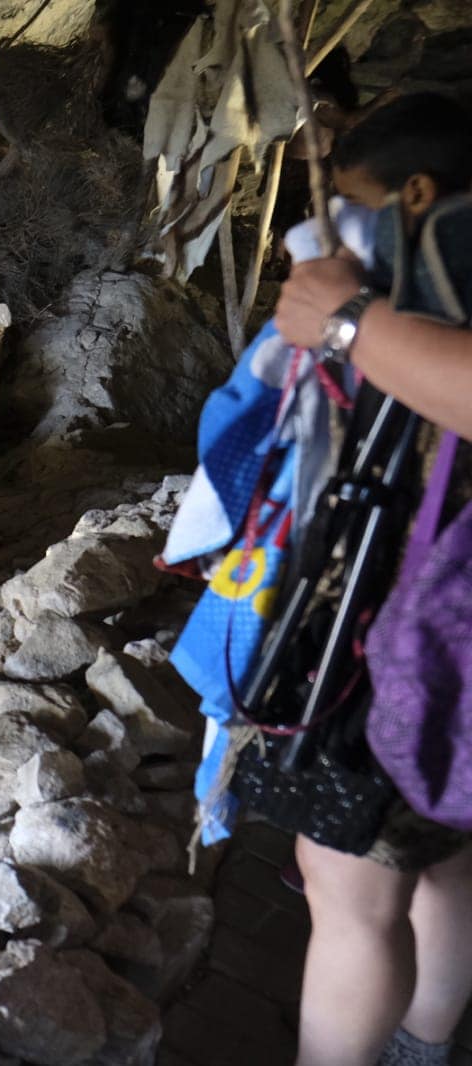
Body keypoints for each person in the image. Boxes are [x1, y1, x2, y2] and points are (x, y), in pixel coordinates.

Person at [271, 93, 472, 1066]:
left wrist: (348, 322)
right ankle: (425, 1044)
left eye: (361, 208)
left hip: (438, 625)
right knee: (449, 848)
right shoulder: (445, 274)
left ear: (419, 194)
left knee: (346, 878)